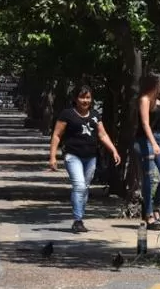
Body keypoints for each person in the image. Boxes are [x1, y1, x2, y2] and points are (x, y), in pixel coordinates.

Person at [48, 83, 121, 233]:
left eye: (88, 97)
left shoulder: (95, 115)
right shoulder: (67, 114)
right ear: (75, 99)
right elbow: (56, 135)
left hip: (90, 157)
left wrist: (113, 150)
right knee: (79, 186)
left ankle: (80, 218)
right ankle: (77, 219)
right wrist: (52, 157)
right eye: (82, 97)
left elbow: (102, 134)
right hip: (72, 156)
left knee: (85, 188)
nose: (85, 101)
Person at [135, 74, 160, 229]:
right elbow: (145, 124)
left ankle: (156, 205)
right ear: (155, 84)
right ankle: (149, 215)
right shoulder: (145, 99)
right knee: (149, 179)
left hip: (159, 140)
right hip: (145, 140)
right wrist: (153, 143)